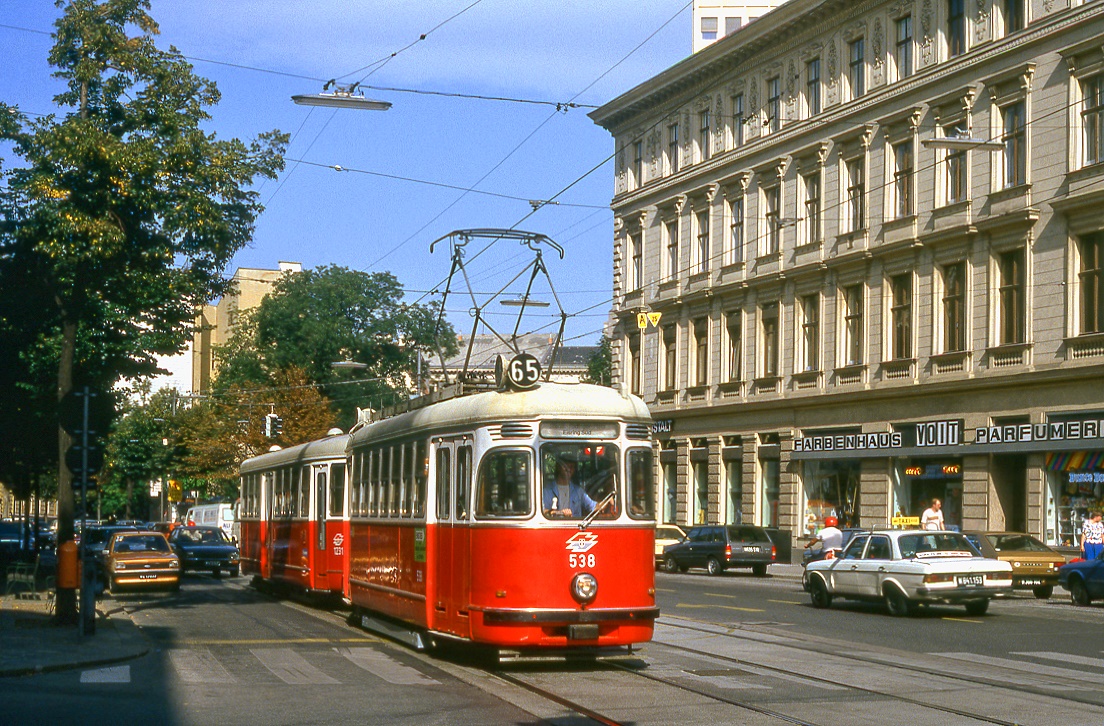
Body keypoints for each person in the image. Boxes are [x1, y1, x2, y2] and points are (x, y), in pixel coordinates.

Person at [542, 450, 596, 518]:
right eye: (566, 466)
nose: (569, 469)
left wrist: (608, 501)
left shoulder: (578, 491)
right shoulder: (547, 490)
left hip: (575, 527)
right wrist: (558, 513)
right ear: (558, 467)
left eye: (572, 467)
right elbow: (542, 511)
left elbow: (594, 507)